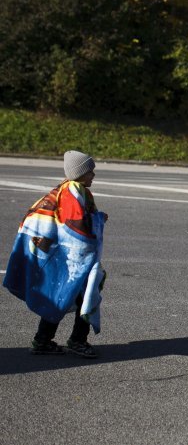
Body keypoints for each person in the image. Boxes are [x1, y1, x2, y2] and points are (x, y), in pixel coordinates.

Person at [3, 150, 108, 358]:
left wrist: (97, 218)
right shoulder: (73, 190)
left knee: (60, 294)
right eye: (90, 171)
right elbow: (75, 226)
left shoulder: (66, 189)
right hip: (71, 256)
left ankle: (42, 340)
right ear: (79, 173)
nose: (93, 175)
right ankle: (77, 340)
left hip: (58, 253)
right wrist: (97, 221)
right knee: (85, 294)